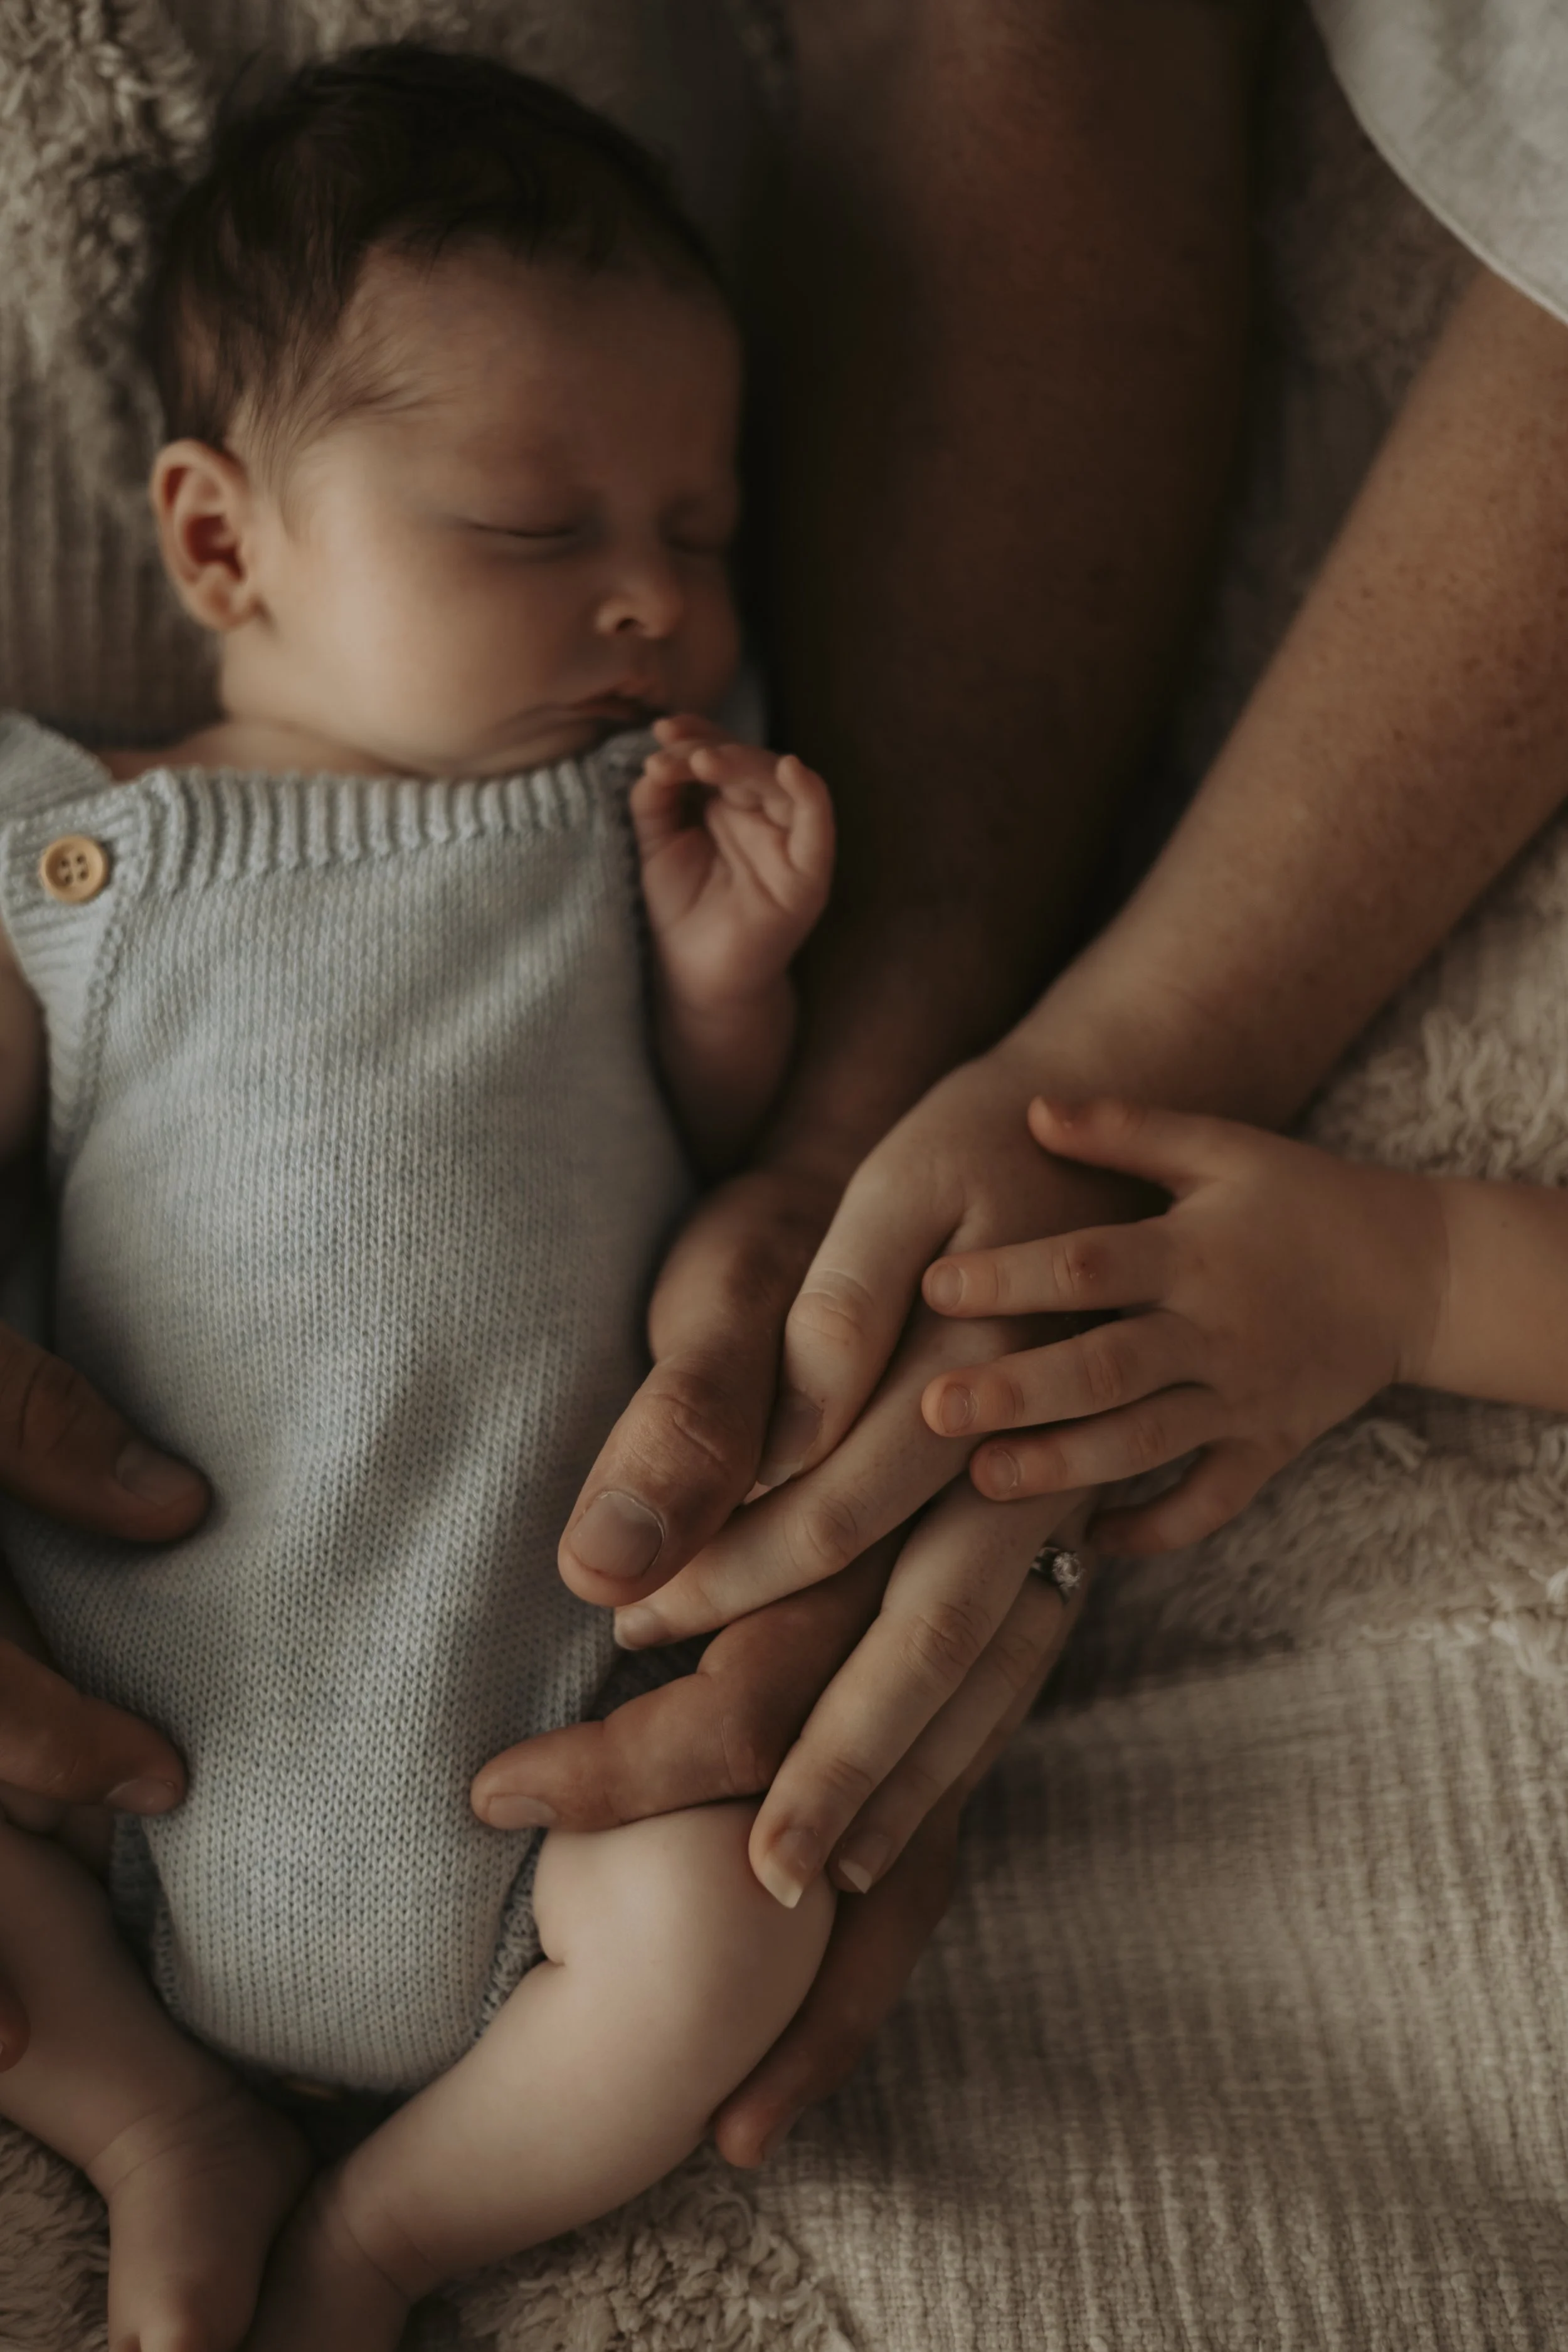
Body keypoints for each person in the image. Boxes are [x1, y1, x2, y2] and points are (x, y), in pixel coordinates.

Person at [0, 47, 851, 2352]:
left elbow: (698, 1146)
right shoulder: (88, 856)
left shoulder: (614, 833)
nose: (646, 606)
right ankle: (156, 2121)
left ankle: (385, 2231)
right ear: (216, 540)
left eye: (697, 531)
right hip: (123, 1767)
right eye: (533, 530)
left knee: (730, 1908)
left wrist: (725, 980)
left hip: (543, 1768)